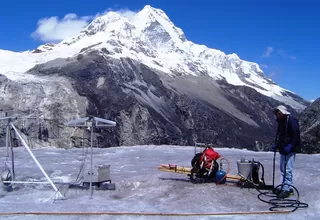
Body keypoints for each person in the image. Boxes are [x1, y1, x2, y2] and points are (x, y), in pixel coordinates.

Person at [271, 105, 301, 199]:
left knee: (287, 169)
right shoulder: (281, 122)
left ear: (283, 113)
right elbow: (281, 135)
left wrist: (290, 145)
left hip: (289, 149)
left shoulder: (291, 121)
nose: (277, 115)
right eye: (277, 113)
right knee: (283, 169)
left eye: (279, 113)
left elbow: (295, 135)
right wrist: (277, 144)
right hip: (283, 148)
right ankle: (285, 186)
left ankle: (287, 189)